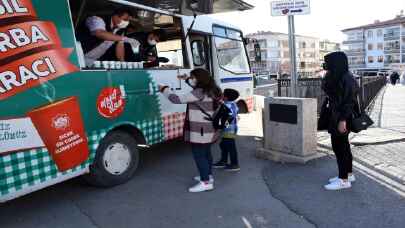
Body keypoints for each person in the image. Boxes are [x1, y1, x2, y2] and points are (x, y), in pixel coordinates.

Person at [159, 69, 222, 193]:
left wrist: (164, 89)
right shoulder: (213, 89)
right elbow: (195, 84)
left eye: (193, 77)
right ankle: (208, 176)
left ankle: (205, 182)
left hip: (201, 130)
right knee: (206, 153)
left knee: (199, 155)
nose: (192, 80)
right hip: (210, 129)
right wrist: (186, 79)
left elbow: (176, 99)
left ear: (199, 79)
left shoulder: (199, 92)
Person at [321, 52, 359, 191]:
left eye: (328, 62)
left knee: (340, 147)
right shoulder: (337, 75)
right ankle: (348, 174)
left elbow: (349, 101)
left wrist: (342, 120)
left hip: (342, 117)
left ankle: (343, 180)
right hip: (336, 115)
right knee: (343, 146)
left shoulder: (346, 78)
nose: (325, 65)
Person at [212, 89, 240, 171]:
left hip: (228, 130)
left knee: (230, 147)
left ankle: (234, 164)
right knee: (223, 145)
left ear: (226, 97)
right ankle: (223, 161)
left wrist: (223, 126)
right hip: (231, 128)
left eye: (223, 95)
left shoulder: (227, 106)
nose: (222, 96)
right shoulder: (233, 104)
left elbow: (230, 118)